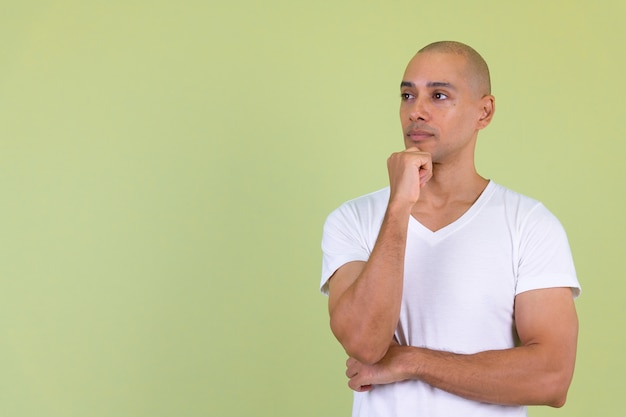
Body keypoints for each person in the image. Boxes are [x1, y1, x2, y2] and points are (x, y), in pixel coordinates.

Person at [319, 41, 580, 417]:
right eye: (407, 95)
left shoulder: (530, 224)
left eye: (438, 95)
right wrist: (399, 207)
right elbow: (365, 344)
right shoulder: (354, 218)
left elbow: (552, 379)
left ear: (484, 112)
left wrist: (411, 362)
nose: (416, 112)